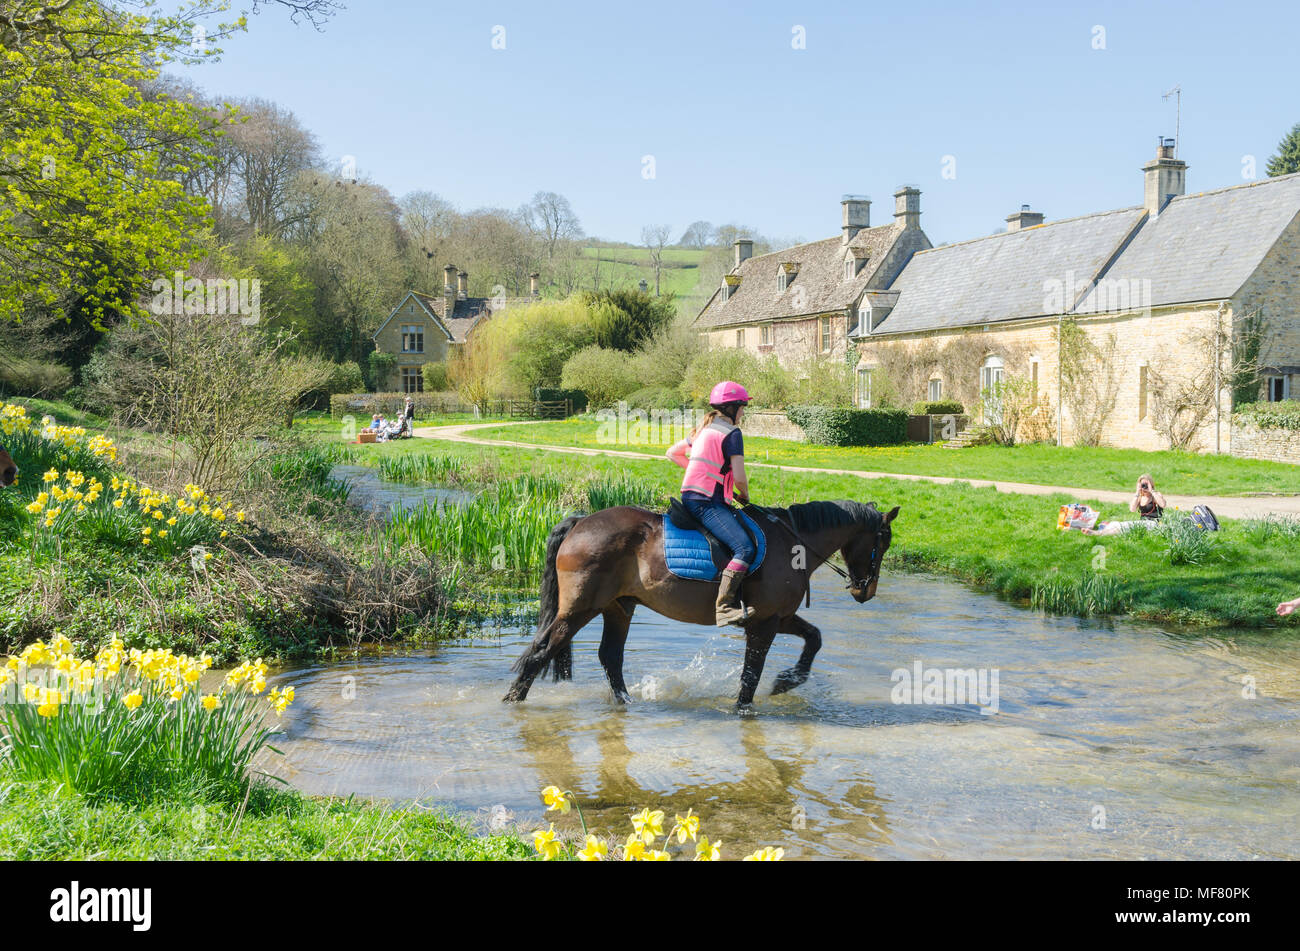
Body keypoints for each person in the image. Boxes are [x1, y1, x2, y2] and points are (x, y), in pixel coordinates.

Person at [666, 381, 755, 626]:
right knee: (745, 548)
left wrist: (698, 473)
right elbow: (739, 478)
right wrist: (744, 496)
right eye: (742, 407)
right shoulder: (732, 434)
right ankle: (724, 607)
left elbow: (672, 453)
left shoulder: (703, 429)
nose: (744, 412)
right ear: (733, 408)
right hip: (707, 502)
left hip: (692, 495)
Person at [1082, 473, 1168, 536]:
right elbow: (1132, 509)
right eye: (1143, 485)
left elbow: (1163, 504)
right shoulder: (1140, 496)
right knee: (1116, 524)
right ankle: (1099, 532)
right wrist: (1137, 491)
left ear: (1151, 484)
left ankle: (1097, 533)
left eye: (1146, 484)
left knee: (1124, 527)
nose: (1144, 487)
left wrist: (1151, 490)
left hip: (1153, 524)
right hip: (1142, 524)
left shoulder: (1156, 495)